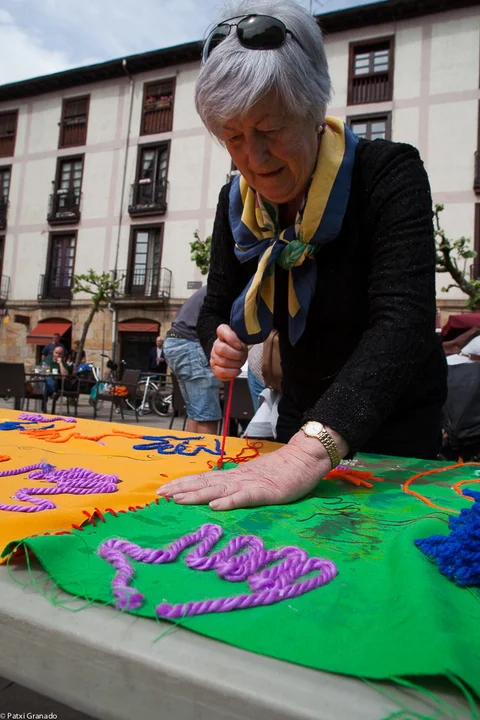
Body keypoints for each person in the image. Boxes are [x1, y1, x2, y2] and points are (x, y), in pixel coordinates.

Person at [157, 0, 447, 512]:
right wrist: (217, 342)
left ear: (313, 110)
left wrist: (307, 452)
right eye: (234, 137)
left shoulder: (388, 173)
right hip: (298, 420)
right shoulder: (236, 202)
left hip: (392, 428)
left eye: (270, 129)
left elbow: (403, 320)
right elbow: (215, 304)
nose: (254, 159)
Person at [163, 286, 222, 435]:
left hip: (178, 342)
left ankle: (193, 450)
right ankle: (205, 450)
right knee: (207, 416)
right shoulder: (234, 289)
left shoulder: (218, 285)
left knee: (196, 412)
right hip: (190, 343)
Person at [42, 345, 71, 412]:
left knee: (45, 385)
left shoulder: (63, 364)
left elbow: (65, 375)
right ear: (53, 353)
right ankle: (51, 393)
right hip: (44, 381)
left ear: (63, 355)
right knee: (45, 383)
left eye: (60, 353)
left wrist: (60, 363)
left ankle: (43, 410)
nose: (57, 355)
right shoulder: (47, 360)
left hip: (57, 383)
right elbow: (42, 370)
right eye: (56, 353)